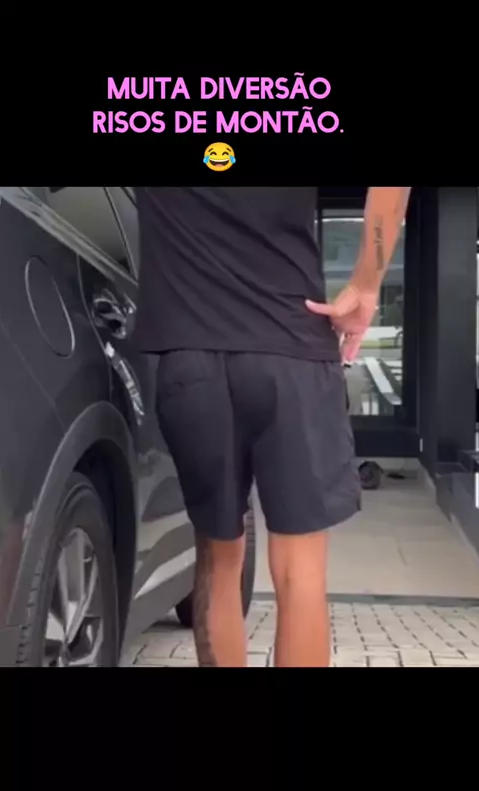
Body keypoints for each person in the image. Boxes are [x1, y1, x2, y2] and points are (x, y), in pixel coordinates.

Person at [134, 187, 411, 667]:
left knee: (218, 559)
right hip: (292, 353)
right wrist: (367, 285)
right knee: (300, 571)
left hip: (191, 359)